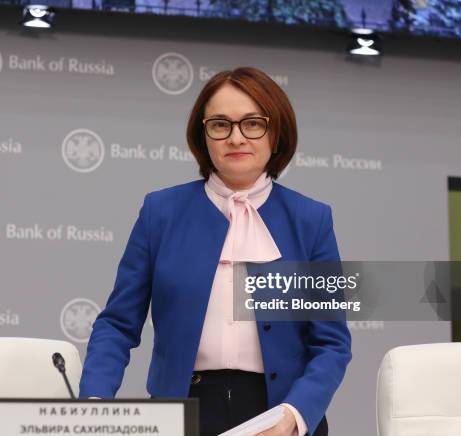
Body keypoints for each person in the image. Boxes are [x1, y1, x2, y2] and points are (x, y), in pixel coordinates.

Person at [79, 67, 352, 436]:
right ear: (202, 134)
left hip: (279, 415)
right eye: (220, 124)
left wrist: (293, 415)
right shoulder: (160, 212)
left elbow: (331, 343)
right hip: (181, 414)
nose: (236, 137)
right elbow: (117, 324)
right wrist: (95, 404)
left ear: (277, 133)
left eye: (253, 123)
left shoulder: (311, 220)